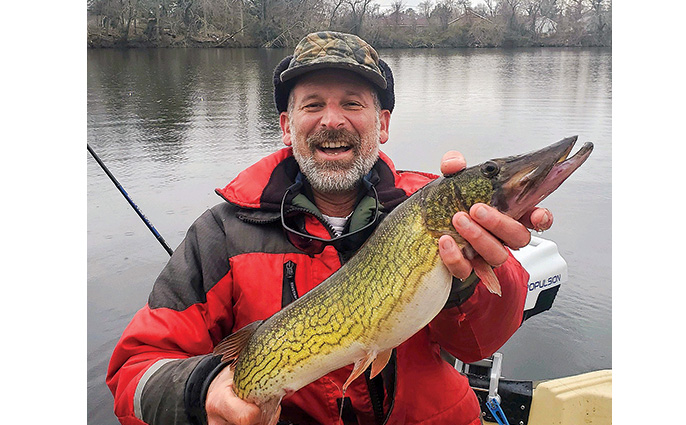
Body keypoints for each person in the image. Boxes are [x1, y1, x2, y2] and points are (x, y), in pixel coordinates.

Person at [107, 31, 553, 425]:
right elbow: (134, 369)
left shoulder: (431, 208)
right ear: (287, 126)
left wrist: (468, 280)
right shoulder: (221, 236)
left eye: (352, 103)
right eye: (313, 105)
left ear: (382, 124)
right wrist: (201, 392)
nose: (332, 120)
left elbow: (480, 344)